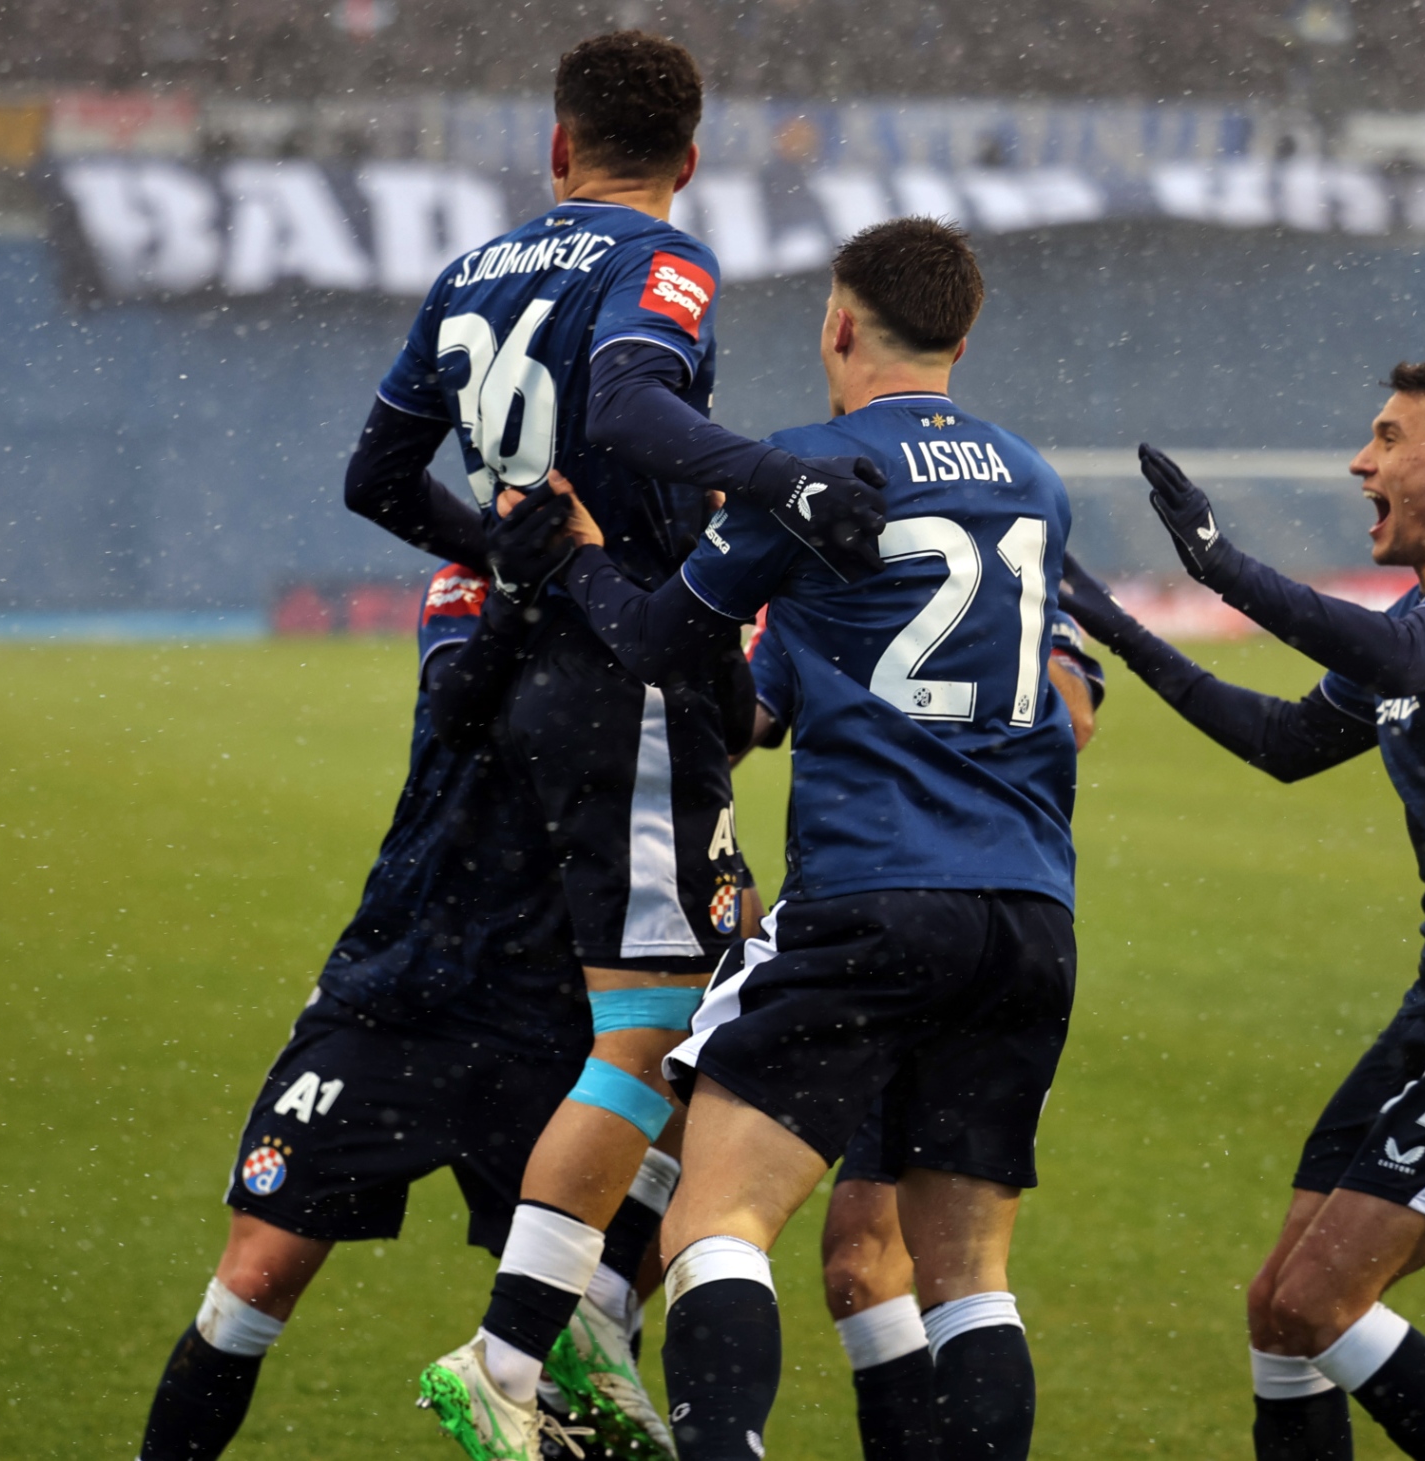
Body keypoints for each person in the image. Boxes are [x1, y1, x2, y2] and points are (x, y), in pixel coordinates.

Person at [339, 31, 888, 1461]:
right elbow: (635, 406)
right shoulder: (665, 262)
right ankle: (511, 1355)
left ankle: (584, 1315)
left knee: (728, 987)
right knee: (648, 1027)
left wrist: (502, 553)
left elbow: (375, 477)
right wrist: (785, 479)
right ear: (690, 158)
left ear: (558, 144)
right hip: (628, 678)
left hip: (562, 672)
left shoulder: (471, 273)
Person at [488, 217, 1079, 1461]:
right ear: (963, 336)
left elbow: (654, 642)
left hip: (874, 896)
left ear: (838, 324)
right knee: (967, 1278)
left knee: (715, 1220)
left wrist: (577, 561)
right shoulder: (1034, 479)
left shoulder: (807, 468)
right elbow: (769, 701)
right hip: (1028, 915)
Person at [1055, 360, 1425, 1461]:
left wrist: (1220, 565)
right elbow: (1283, 743)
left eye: (1386, 438)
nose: (1358, 462)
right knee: (1279, 1309)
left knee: (1319, 1300)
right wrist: (1121, 627)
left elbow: (1402, 657)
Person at [133, 558, 670, 1461]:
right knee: (256, 1276)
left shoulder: (662, 590)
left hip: (559, 1015)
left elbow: (719, 734)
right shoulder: (479, 574)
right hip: (399, 988)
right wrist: (527, 585)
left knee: (575, 1326)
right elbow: (463, 705)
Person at [745, 608, 1103, 1461]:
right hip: (884, 919)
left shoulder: (1016, 561)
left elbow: (1074, 712)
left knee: (936, 1265)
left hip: (962, 917)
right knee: (859, 1268)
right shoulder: (822, 571)